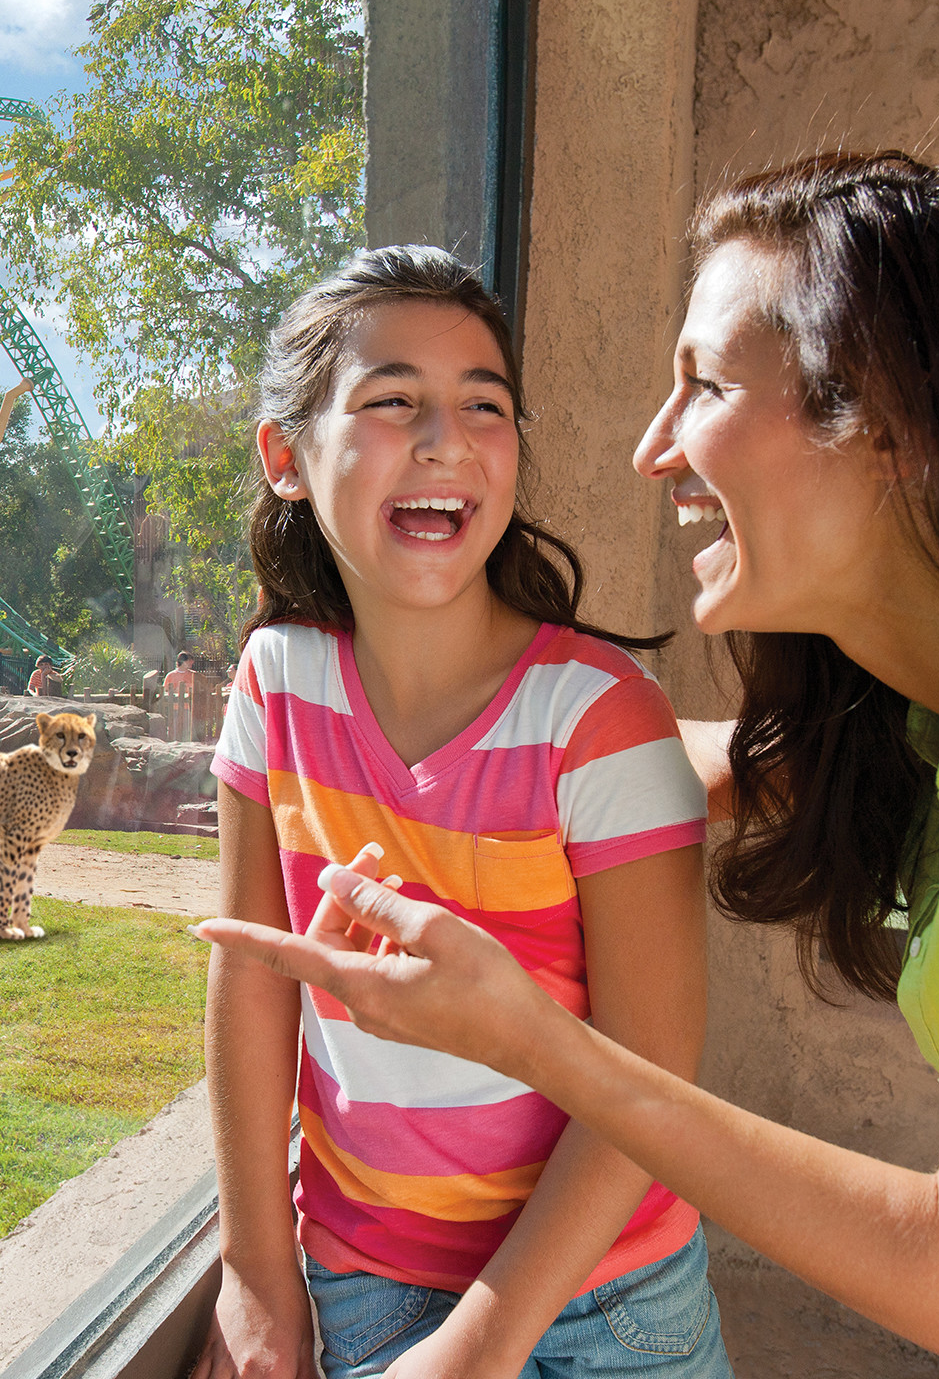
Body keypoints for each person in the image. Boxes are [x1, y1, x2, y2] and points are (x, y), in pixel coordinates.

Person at [196, 154, 939, 1372]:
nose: (653, 450)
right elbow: (647, 759)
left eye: (705, 385)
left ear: (889, 422)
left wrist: (530, 1034)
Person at [196, 245, 729, 1379]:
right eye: (394, 402)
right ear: (286, 457)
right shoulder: (274, 683)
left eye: (483, 406)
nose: (446, 439)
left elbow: (651, 1070)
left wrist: (479, 1347)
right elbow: (255, 972)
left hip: (614, 1297)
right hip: (365, 1283)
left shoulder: (600, 716)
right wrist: (256, 1266)